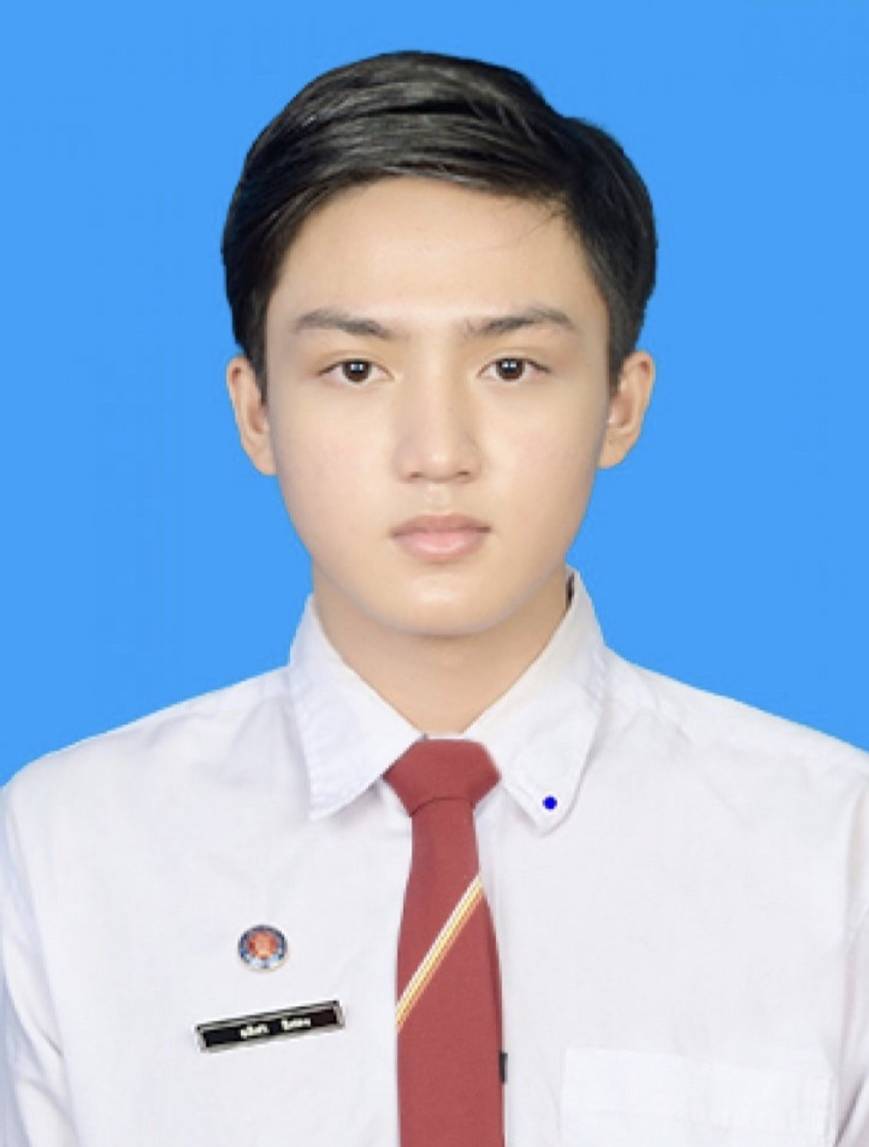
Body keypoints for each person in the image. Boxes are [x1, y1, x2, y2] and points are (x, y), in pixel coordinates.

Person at [1, 47, 866, 1147]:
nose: (437, 451)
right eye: (355, 370)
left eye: (510, 367)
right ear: (256, 412)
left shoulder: (832, 847)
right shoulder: (67, 850)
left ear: (620, 401)